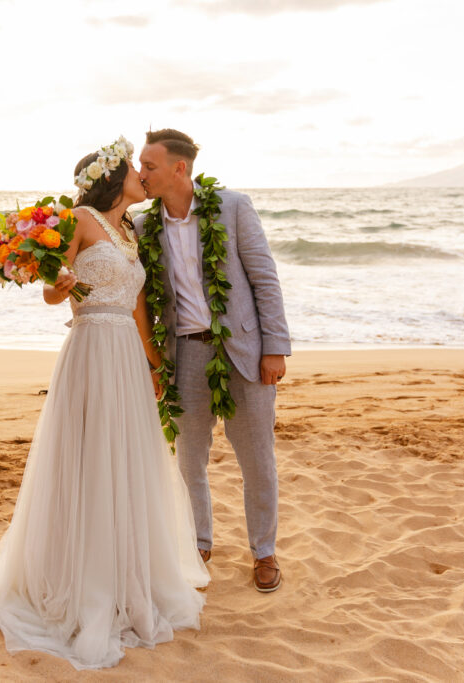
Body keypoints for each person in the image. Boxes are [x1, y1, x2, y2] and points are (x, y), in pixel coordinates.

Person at [0, 136, 208, 670]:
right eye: (134, 169)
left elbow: (141, 303)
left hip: (125, 351)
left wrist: (153, 364)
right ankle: (82, 581)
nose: (141, 175)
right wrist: (61, 287)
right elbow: (51, 289)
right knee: (87, 456)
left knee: (126, 459)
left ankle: (129, 574)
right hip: (90, 349)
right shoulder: (79, 217)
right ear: (111, 178)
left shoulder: (130, 231)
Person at [135, 128, 291, 593]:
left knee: (257, 461)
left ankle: (264, 552)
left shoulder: (233, 207)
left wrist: (274, 347)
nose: (141, 174)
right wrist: (153, 362)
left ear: (178, 168)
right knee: (190, 461)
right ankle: (198, 544)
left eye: (149, 166)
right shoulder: (144, 227)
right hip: (184, 352)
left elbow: (265, 277)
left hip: (243, 350)